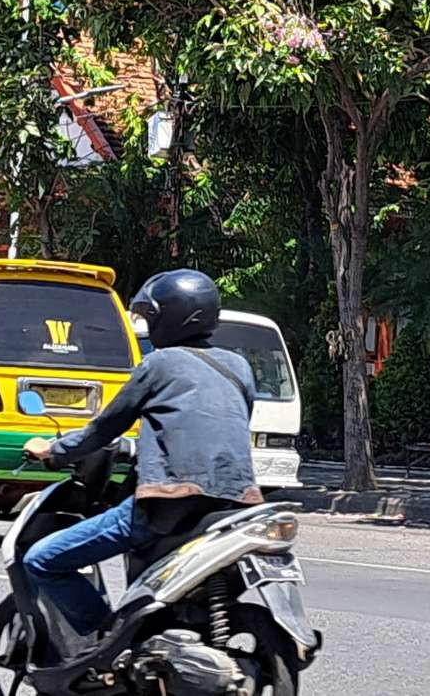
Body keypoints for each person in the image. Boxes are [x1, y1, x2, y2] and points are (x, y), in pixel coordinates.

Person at [21, 269, 260, 647]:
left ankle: (108, 642)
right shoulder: (240, 367)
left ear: (171, 316)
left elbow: (103, 430)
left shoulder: (159, 364)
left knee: (42, 559)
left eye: (151, 317)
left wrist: (52, 450)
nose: (149, 326)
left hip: (168, 506)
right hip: (235, 506)